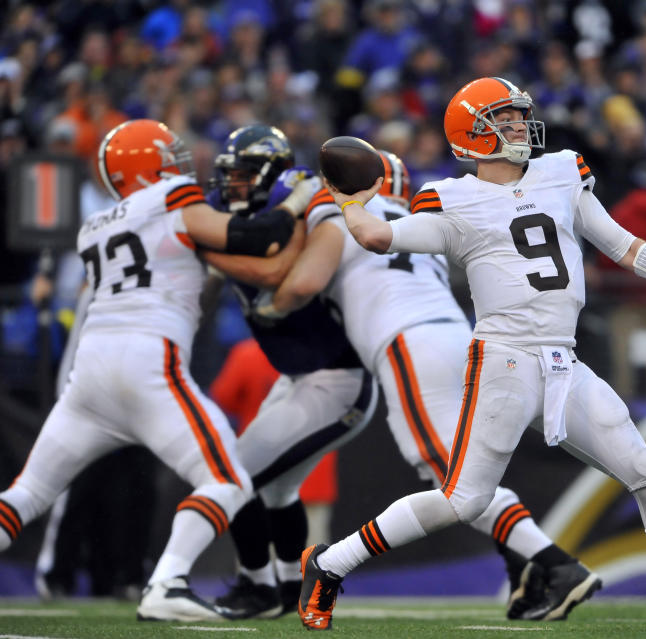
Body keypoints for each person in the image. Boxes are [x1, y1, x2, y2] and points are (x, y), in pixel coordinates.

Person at [298, 76, 646, 631]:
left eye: (516, 115)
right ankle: (330, 565)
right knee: (463, 499)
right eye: (502, 118)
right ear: (473, 134)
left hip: (564, 361)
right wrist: (349, 203)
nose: (516, 125)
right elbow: (379, 238)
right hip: (503, 361)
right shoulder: (453, 199)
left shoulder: (561, 173)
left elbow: (619, 243)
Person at [213, 135, 600, 622]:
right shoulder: (417, 222)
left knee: (451, 477)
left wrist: (267, 301)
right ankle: (520, 563)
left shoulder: (340, 217)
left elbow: (302, 282)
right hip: (457, 337)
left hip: (408, 343)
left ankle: (556, 565)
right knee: (464, 471)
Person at [0, 118, 312, 621]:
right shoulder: (172, 196)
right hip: (147, 362)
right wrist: (297, 203)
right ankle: (167, 581)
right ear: (150, 164)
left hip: (90, 374)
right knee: (228, 480)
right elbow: (252, 238)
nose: (180, 164)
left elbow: (175, 268)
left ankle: (166, 582)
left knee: (27, 493)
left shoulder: (94, 225)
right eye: (168, 155)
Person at [194, 124, 377, 619]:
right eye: (228, 175)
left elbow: (282, 275)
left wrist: (211, 253)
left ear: (271, 174)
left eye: (243, 174)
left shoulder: (300, 200)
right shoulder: (249, 211)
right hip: (300, 375)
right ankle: (291, 586)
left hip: (337, 376)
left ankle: (256, 587)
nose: (231, 184)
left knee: (234, 475)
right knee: (275, 490)